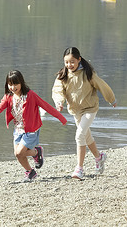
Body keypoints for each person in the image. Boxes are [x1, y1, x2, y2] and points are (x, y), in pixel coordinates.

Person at [0, 70, 67, 182]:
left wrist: (61, 118)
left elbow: (45, 105)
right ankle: (31, 171)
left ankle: (37, 152)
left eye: (15, 84)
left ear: (21, 83)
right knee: (17, 154)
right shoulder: (8, 97)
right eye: (10, 84)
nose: (12, 87)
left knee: (19, 152)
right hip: (18, 130)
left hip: (31, 130)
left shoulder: (30, 95)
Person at [52, 47, 116, 180]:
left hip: (90, 109)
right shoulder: (63, 75)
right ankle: (99, 157)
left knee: (79, 135)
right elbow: (57, 91)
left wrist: (111, 99)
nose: (69, 65)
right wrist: (59, 102)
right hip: (76, 111)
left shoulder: (87, 73)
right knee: (86, 137)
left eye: (72, 62)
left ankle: (79, 169)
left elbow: (101, 85)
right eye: (66, 62)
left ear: (79, 60)